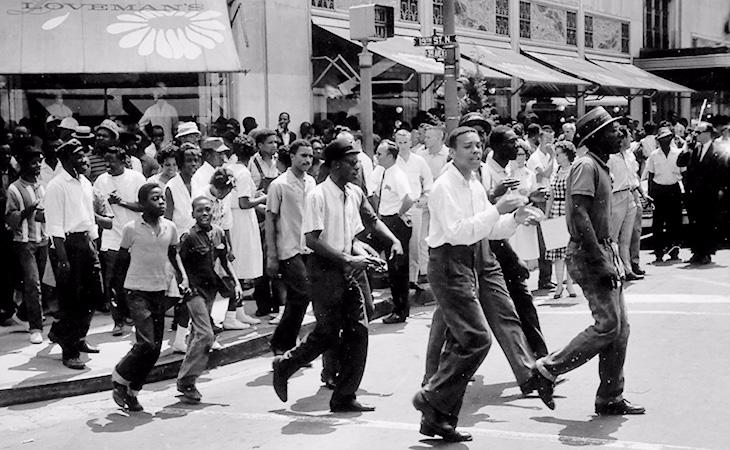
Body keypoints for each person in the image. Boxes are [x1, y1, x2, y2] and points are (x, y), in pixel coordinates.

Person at [413, 127, 550, 443]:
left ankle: (437, 418)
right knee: (477, 339)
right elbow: (458, 231)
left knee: (460, 342)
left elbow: (489, 229)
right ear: (452, 151)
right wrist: (497, 209)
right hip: (448, 263)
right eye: (468, 147)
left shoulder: (473, 182)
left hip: (468, 260)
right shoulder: (443, 187)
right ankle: (431, 397)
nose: (476, 152)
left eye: (478, 146)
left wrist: (515, 218)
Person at [271, 138, 402, 413]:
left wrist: (378, 247)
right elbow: (312, 239)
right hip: (324, 270)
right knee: (328, 333)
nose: (357, 168)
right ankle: (286, 363)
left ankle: (344, 396)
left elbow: (359, 230)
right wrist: (348, 258)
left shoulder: (353, 193)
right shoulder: (318, 195)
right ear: (335, 165)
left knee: (359, 332)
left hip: (348, 268)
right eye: (352, 163)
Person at [535, 107, 645, 416]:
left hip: (601, 250)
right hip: (589, 254)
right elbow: (578, 214)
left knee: (620, 328)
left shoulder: (600, 164)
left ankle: (610, 397)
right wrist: (601, 260)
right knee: (609, 324)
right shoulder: (585, 165)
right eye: (611, 130)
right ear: (595, 136)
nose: (618, 134)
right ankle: (547, 369)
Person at [111, 183, 188, 411]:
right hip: (136, 290)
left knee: (154, 349)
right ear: (143, 204)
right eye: (155, 199)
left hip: (159, 290)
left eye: (163, 198)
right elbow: (121, 261)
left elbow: (174, 256)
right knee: (145, 342)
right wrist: (115, 292)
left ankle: (133, 391)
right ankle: (119, 376)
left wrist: (182, 277)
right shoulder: (131, 228)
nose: (161, 203)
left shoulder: (170, 227)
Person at [176, 196, 243, 404]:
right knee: (206, 334)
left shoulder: (218, 233)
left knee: (199, 334)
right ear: (193, 214)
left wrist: (236, 282)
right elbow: (177, 259)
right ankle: (187, 380)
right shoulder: (188, 237)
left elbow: (225, 260)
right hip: (194, 290)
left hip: (211, 289)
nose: (204, 214)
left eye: (207, 210)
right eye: (199, 211)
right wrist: (183, 282)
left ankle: (187, 380)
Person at [45, 139, 102, 370]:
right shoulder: (56, 186)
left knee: (94, 294)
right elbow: (55, 226)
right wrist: (63, 260)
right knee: (71, 300)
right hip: (66, 246)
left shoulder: (84, 182)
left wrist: (94, 243)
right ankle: (69, 350)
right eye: (79, 156)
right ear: (67, 159)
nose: (85, 160)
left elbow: (89, 216)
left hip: (86, 243)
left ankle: (68, 334)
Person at [265, 139, 316, 354]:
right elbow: (270, 220)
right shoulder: (279, 185)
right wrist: (271, 255)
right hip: (288, 248)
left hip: (310, 247)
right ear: (292, 156)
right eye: (303, 155)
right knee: (302, 294)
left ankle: (282, 343)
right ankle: (282, 342)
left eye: (310, 156)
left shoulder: (312, 182)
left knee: (300, 297)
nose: (307, 160)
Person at [93, 145, 146, 335]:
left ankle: (134, 315)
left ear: (123, 161)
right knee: (113, 282)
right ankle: (118, 321)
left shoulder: (136, 178)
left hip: (134, 238)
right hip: (111, 239)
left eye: (112, 162)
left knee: (134, 281)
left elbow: (145, 206)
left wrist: (121, 202)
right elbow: (96, 209)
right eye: (105, 161)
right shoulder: (100, 181)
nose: (108, 165)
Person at [5, 144, 47, 344]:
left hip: (43, 241)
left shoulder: (42, 185)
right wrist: (27, 211)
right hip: (24, 243)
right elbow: (10, 220)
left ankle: (23, 315)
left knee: (39, 284)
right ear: (23, 165)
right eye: (33, 162)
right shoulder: (14, 188)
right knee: (33, 284)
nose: (38, 165)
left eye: (39, 161)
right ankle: (36, 328)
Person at [369, 140, 413, 323]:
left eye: (380, 154)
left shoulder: (397, 175)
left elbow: (409, 199)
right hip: (385, 220)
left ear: (390, 156)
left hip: (395, 222)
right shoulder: (384, 173)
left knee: (398, 269)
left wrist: (397, 216)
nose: (377, 157)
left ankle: (401, 310)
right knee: (372, 253)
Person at [228, 139, 267, 326]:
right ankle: (233, 314)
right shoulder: (243, 172)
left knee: (237, 268)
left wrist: (255, 196)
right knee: (240, 266)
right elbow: (244, 202)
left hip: (236, 219)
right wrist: (265, 196)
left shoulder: (231, 168)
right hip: (242, 221)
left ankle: (238, 311)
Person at [677, 122, 725, 265]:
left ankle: (706, 252)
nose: (696, 135)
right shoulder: (695, 149)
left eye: (699, 132)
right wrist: (686, 146)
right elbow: (680, 162)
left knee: (707, 223)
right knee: (695, 224)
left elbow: (722, 173)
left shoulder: (718, 149)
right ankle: (696, 251)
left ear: (708, 133)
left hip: (710, 193)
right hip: (694, 193)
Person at [393, 129, 433, 290]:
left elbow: (428, 180)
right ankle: (397, 279)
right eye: (399, 142)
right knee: (397, 243)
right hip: (396, 206)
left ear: (411, 142)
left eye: (405, 142)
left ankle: (413, 278)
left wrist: (425, 197)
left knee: (414, 243)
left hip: (414, 206)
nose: (402, 146)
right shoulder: (392, 160)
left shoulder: (418, 160)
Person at [249, 129, 280, 317]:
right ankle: (263, 304)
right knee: (261, 261)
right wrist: (266, 212)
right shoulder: (252, 164)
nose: (274, 146)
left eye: (275, 142)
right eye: (270, 142)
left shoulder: (279, 162)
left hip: (277, 215)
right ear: (260, 145)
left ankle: (278, 303)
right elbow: (250, 196)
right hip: (261, 216)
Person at [608, 128, 643, 280]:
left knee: (627, 237)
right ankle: (614, 269)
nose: (631, 140)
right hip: (616, 196)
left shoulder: (629, 155)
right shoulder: (611, 157)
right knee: (613, 237)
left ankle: (627, 269)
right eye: (629, 137)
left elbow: (634, 176)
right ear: (621, 140)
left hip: (629, 194)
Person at [644, 126, 682, 263]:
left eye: (667, 138)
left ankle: (674, 250)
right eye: (661, 139)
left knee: (675, 221)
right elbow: (650, 175)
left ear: (671, 138)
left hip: (673, 188)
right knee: (658, 223)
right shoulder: (654, 155)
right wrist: (650, 194)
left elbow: (683, 172)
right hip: (659, 190)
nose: (664, 141)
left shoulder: (678, 153)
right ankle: (659, 252)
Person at [545, 141, 578, 298]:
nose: (557, 157)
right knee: (557, 253)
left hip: (568, 211)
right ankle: (559, 285)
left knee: (568, 252)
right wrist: (546, 215)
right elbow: (551, 195)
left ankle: (570, 285)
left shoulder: (573, 171)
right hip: (556, 211)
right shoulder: (556, 171)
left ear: (567, 155)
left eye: (559, 154)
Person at [528, 125, 556, 290]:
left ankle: (548, 276)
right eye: (546, 140)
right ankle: (543, 278)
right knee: (543, 241)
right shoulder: (535, 158)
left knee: (551, 240)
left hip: (550, 198)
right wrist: (552, 156)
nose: (549, 143)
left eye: (551, 140)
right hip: (540, 200)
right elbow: (545, 174)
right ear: (539, 139)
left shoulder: (549, 156)